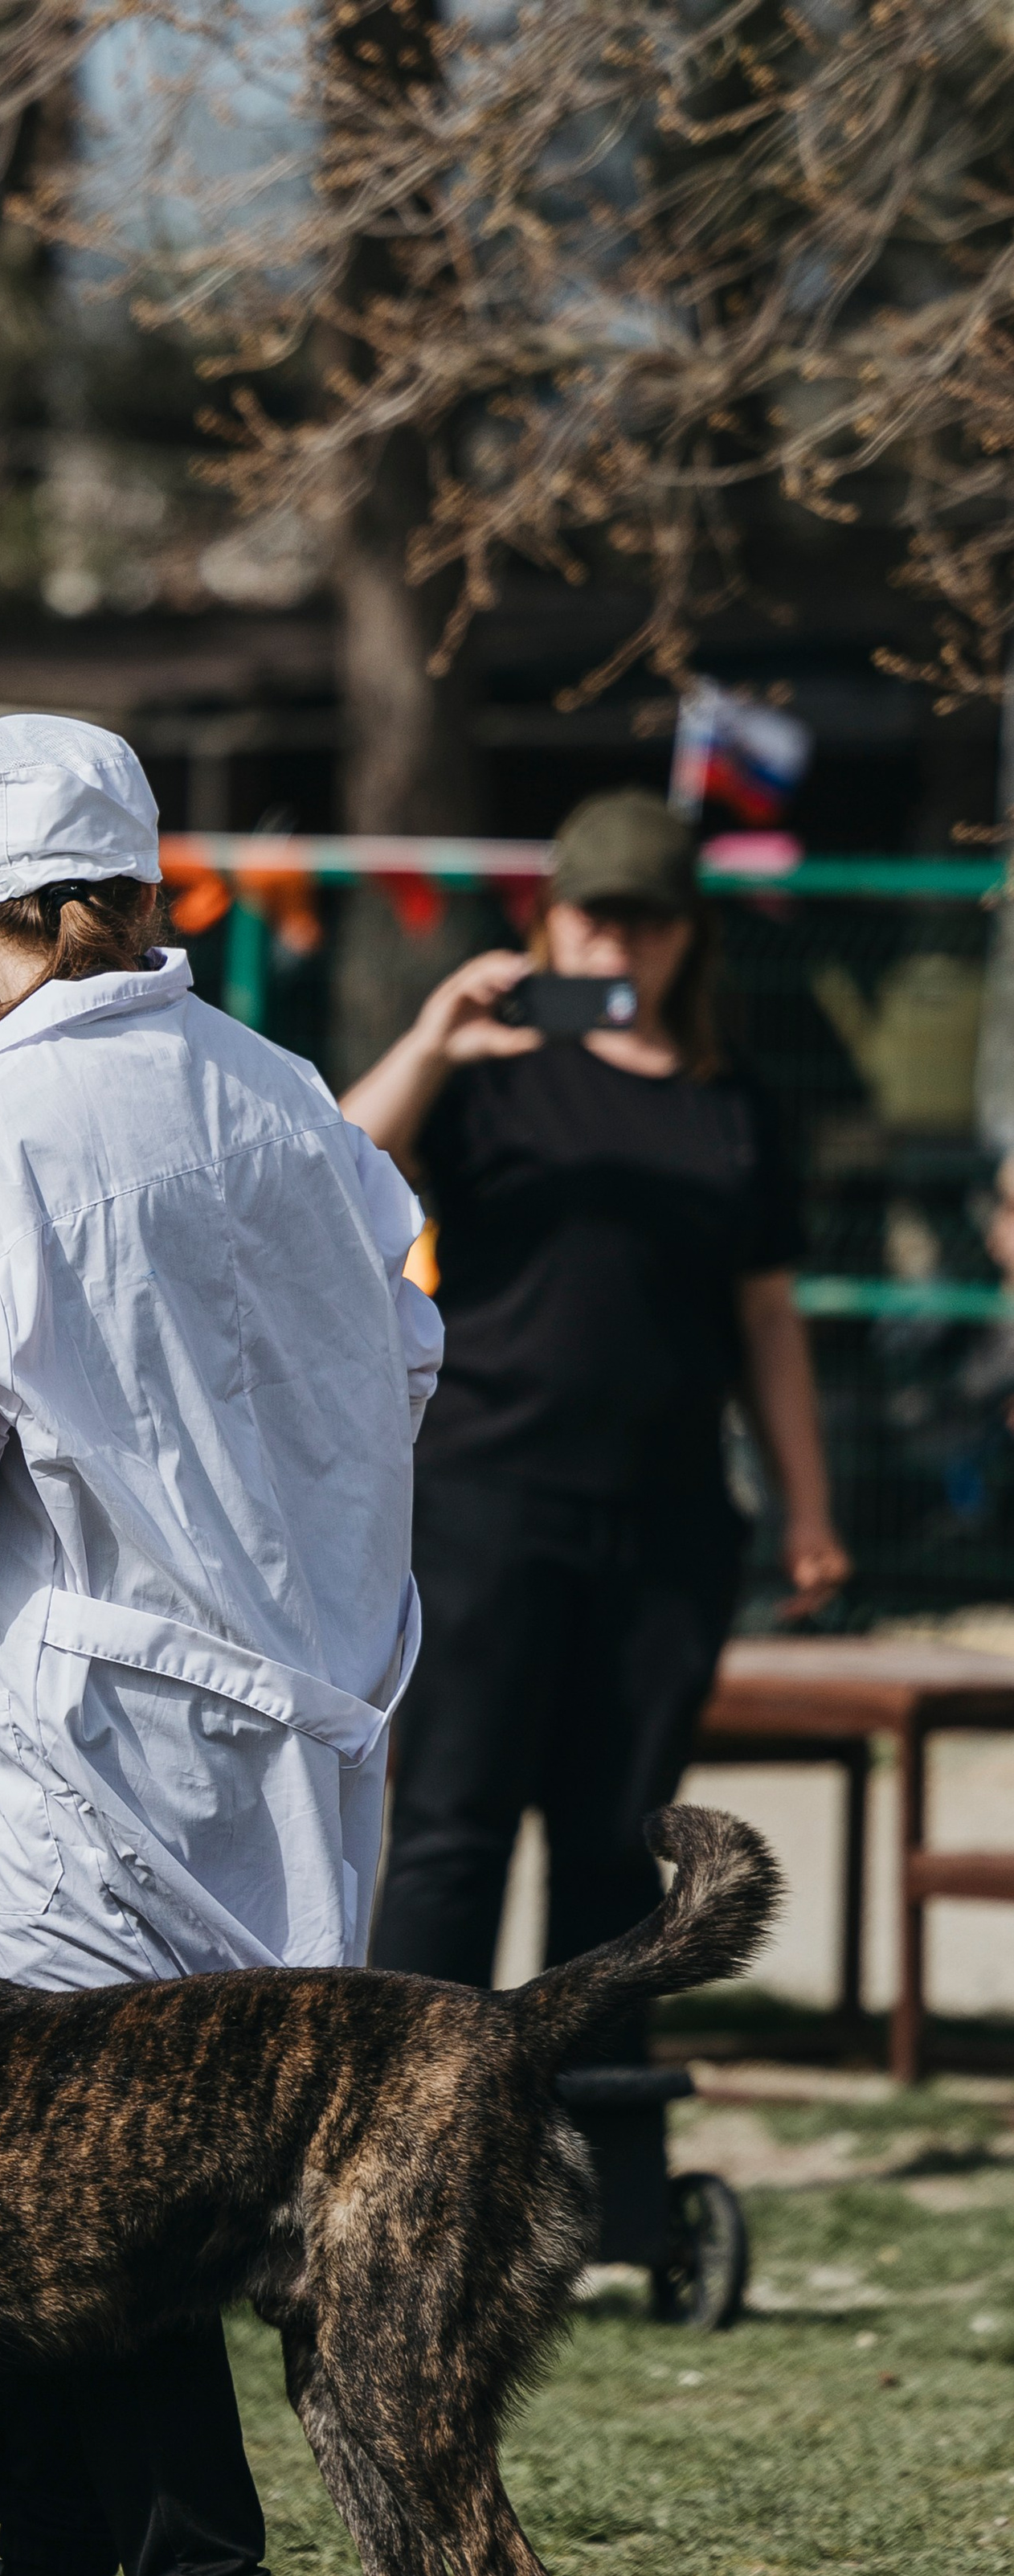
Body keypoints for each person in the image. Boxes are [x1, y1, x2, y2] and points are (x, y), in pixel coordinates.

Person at [0, 712, 442, 2576]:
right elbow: (408, 1340)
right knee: (119, 2158)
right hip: (308, 1709)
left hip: (88, 1720)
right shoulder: (281, 1099)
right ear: (144, 880)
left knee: (102, 2184)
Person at [347, 788, 851, 2022]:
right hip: (490, 1502)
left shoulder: (732, 1105)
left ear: (690, 934)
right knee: (452, 1833)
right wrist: (431, 1040)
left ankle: (601, 2174)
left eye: (649, 920)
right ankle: (400, 2146)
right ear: (551, 921)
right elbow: (330, 1171)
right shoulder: (492, 1073)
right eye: (597, 917)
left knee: (613, 1858)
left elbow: (768, 1319)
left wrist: (809, 1509)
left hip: (667, 1524)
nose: (620, 946)